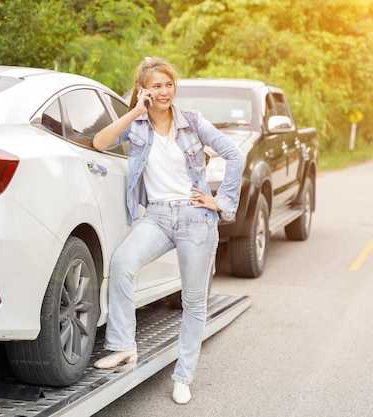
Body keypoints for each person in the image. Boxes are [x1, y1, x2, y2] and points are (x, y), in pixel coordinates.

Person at [92, 57, 245, 405]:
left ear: (174, 87)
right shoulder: (138, 126)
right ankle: (123, 345)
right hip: (158, 216)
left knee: (193, 301)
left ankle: (183, 376)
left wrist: (220, 202)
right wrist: (134, 111)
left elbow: (234, 155)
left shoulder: (192, 122)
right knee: (122, 263)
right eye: (156, 86)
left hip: (195, 217)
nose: (164, 92)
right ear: (143, 89)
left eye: (168, 85)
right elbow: (100, 142)